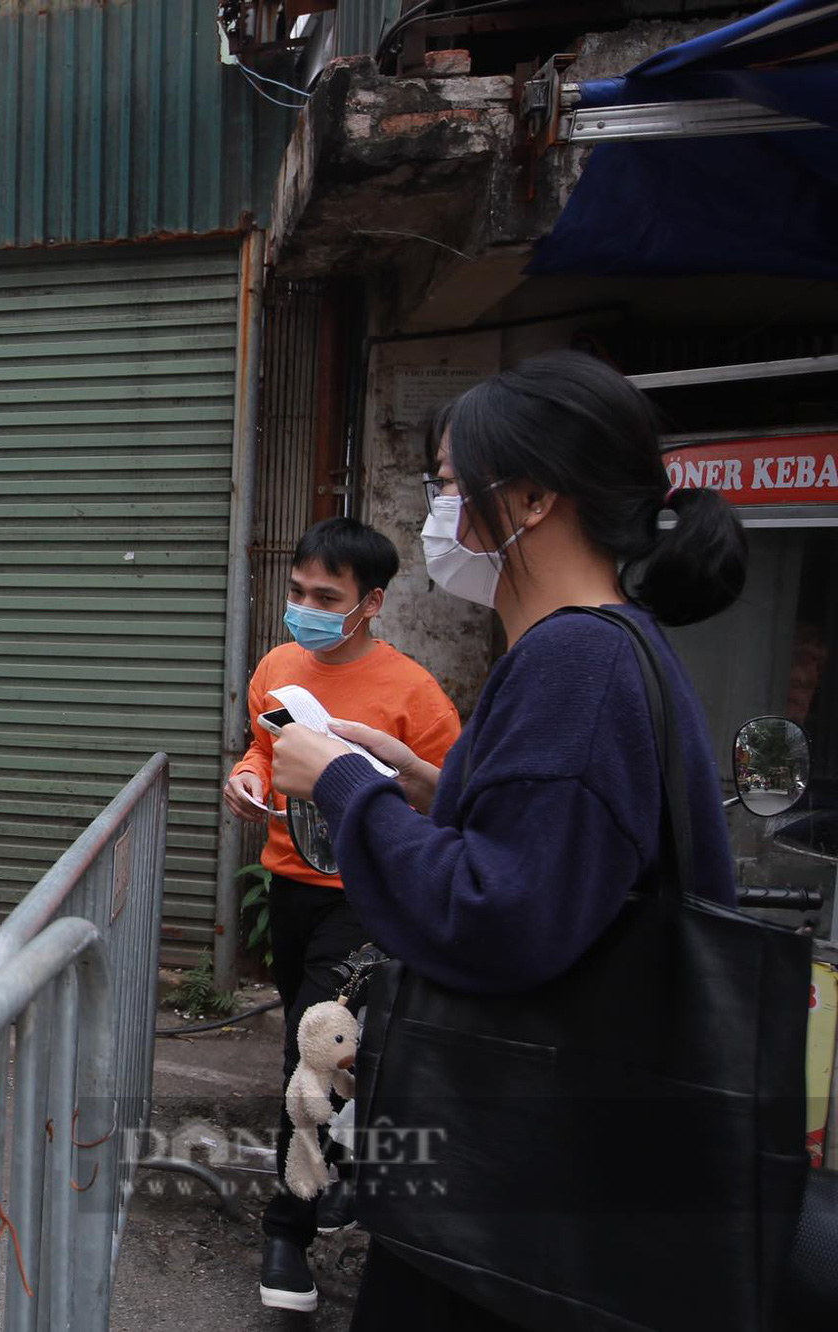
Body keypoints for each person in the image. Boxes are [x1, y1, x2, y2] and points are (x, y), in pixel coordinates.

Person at [269, 351, 747, 1329]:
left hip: (516, 1199)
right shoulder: (609, 646)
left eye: (446, 486)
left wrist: (346, 786)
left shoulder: (573, 659)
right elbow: (568, 852)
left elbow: (499, 913)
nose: (435, 514)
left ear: (528, 498)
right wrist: (423, 782)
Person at [223, 517, 461, 1314]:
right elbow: (263, 748)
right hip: (288, 885)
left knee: (313, 1058)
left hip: (364, 897)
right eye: (297, 592)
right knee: (317, 1042)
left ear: (373, 604)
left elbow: (446, 798)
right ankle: (338, 1170)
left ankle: (286, 1231)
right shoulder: (278, 666)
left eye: (327, 597)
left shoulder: (414, 694)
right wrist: (248, 778)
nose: (305, 608)